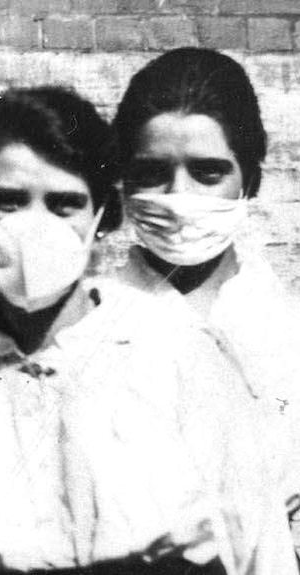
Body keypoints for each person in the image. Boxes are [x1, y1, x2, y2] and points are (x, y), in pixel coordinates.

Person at [0, 87, 296, 574]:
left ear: (99, 217)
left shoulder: (176, 354)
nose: (36, 226)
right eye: (10, 203)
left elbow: (260, 547)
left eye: (64, 204)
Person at [112, 47, 300, 525]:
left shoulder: (286, 329)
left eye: (208, 172)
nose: (179, 198)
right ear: (124, 185)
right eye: (153, 174)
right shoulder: (88, 329)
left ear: (249, 180)